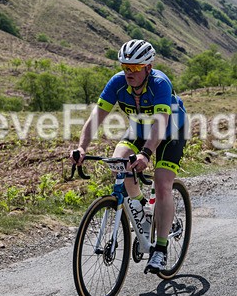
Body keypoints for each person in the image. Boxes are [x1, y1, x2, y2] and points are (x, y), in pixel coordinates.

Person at [71, 39, 187, 274]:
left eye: (134, 68)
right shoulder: (117, 83)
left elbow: (160, 123)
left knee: (163, 184)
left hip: (170, 130)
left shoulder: (160, 84)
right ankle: (143, 206)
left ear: (148, 67)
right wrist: (81, 147)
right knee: (118, 162)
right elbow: (96, 118)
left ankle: (160, 250)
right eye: (125, 67)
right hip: (140, 127)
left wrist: (145, 154)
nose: (128, 72)